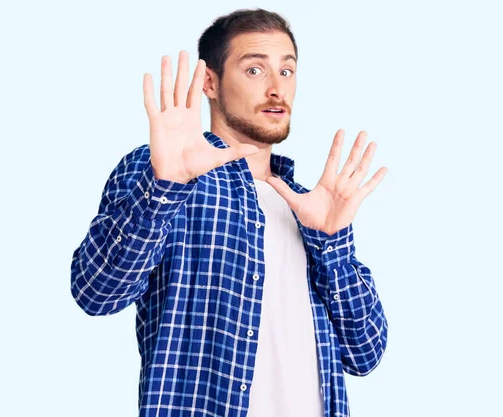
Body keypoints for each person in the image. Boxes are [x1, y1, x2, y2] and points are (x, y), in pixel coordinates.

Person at [70, 8, 389, 417]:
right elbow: (96, 293)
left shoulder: (309, 208)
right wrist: (164, 188)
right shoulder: (163, 175)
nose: (277, 89)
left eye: (287, 72)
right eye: (255, 70)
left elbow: (365, 354)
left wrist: (333, 245)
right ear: (210, 82)